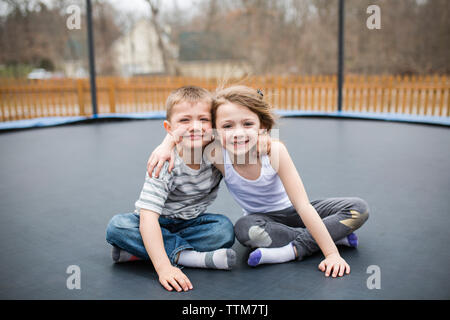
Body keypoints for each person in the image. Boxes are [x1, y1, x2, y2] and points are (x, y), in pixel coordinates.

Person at [148, 85, 370, 278]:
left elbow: (303, 206)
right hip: (261, 220)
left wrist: (332, 255)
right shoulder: (216, 153)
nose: (237, 133)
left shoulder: (275, 151)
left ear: (262, 126)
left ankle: (291, 251)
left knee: (358, 209)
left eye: (247, 124)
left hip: (294, 211)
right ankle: (330, 235)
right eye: (227, 126)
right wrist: (165, 145)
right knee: (244, 230)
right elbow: (188, 130)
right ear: (215, 130)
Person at [105, 86, 236, 293]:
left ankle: (139, 252)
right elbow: (148, 219)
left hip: (191, 224)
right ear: (169, 127)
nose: (195, 127)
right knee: (118, 226)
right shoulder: (165, 161)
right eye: (185, 120)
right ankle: (191, 258)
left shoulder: (217, 153)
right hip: (155, 222)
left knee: (224, 229)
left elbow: (242, 134)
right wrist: (164, 268)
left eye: (203, 119)